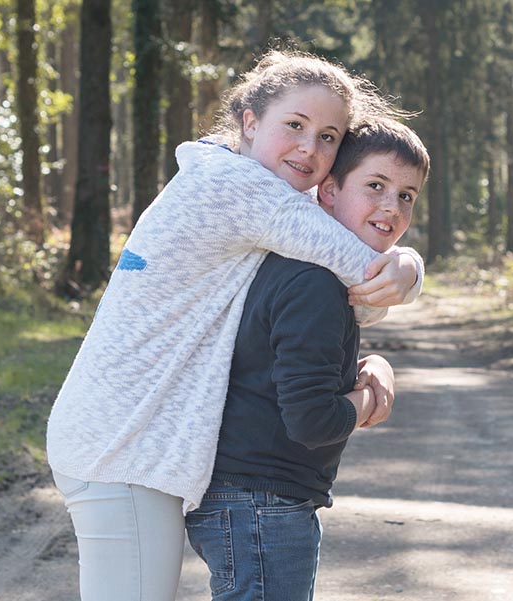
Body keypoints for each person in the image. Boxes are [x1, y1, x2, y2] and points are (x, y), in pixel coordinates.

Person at [45, 50, 425, 601]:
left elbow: (340, 290)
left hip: (127, 439)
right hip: (122, 443)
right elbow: (366, 283)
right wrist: (410, 268)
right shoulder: (239, 190)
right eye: (294, 125)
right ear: (249, 121)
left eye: (328, 137)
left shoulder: (221, 176)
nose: (309, 148)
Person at [186, 118, 430, 601]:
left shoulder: (317, 271)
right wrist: (369, 398)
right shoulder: (314, 280)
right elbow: (314, 420)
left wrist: (370, 365)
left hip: (253, 497)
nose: (391, 205)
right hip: (259, 501)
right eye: (375, 186)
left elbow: (289, 377)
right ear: (329, 191)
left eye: (406, 195)